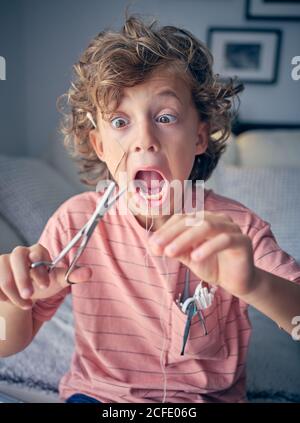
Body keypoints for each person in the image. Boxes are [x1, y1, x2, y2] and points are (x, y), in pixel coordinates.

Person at [0, 15, 300, 404]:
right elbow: (10, 343)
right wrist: (14, 302)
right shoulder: (75, 221)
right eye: (121, 121)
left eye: (165, 117)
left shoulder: (236, 229)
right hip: (98, 397)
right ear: (100, 146)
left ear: (198, 136)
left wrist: (254, 283)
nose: (145, 139)